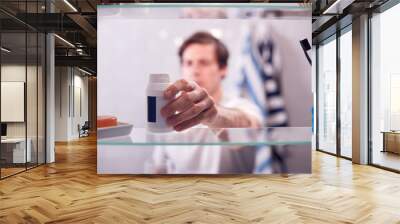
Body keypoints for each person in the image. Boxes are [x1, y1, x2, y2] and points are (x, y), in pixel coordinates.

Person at [147, 31, 263, 174]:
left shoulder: (242, 106)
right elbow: (158, 170)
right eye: (188, 63)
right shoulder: (169, 116)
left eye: (204, 63)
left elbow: (250, 124)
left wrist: (214, 116)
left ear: (223, 69)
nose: (195, 71)